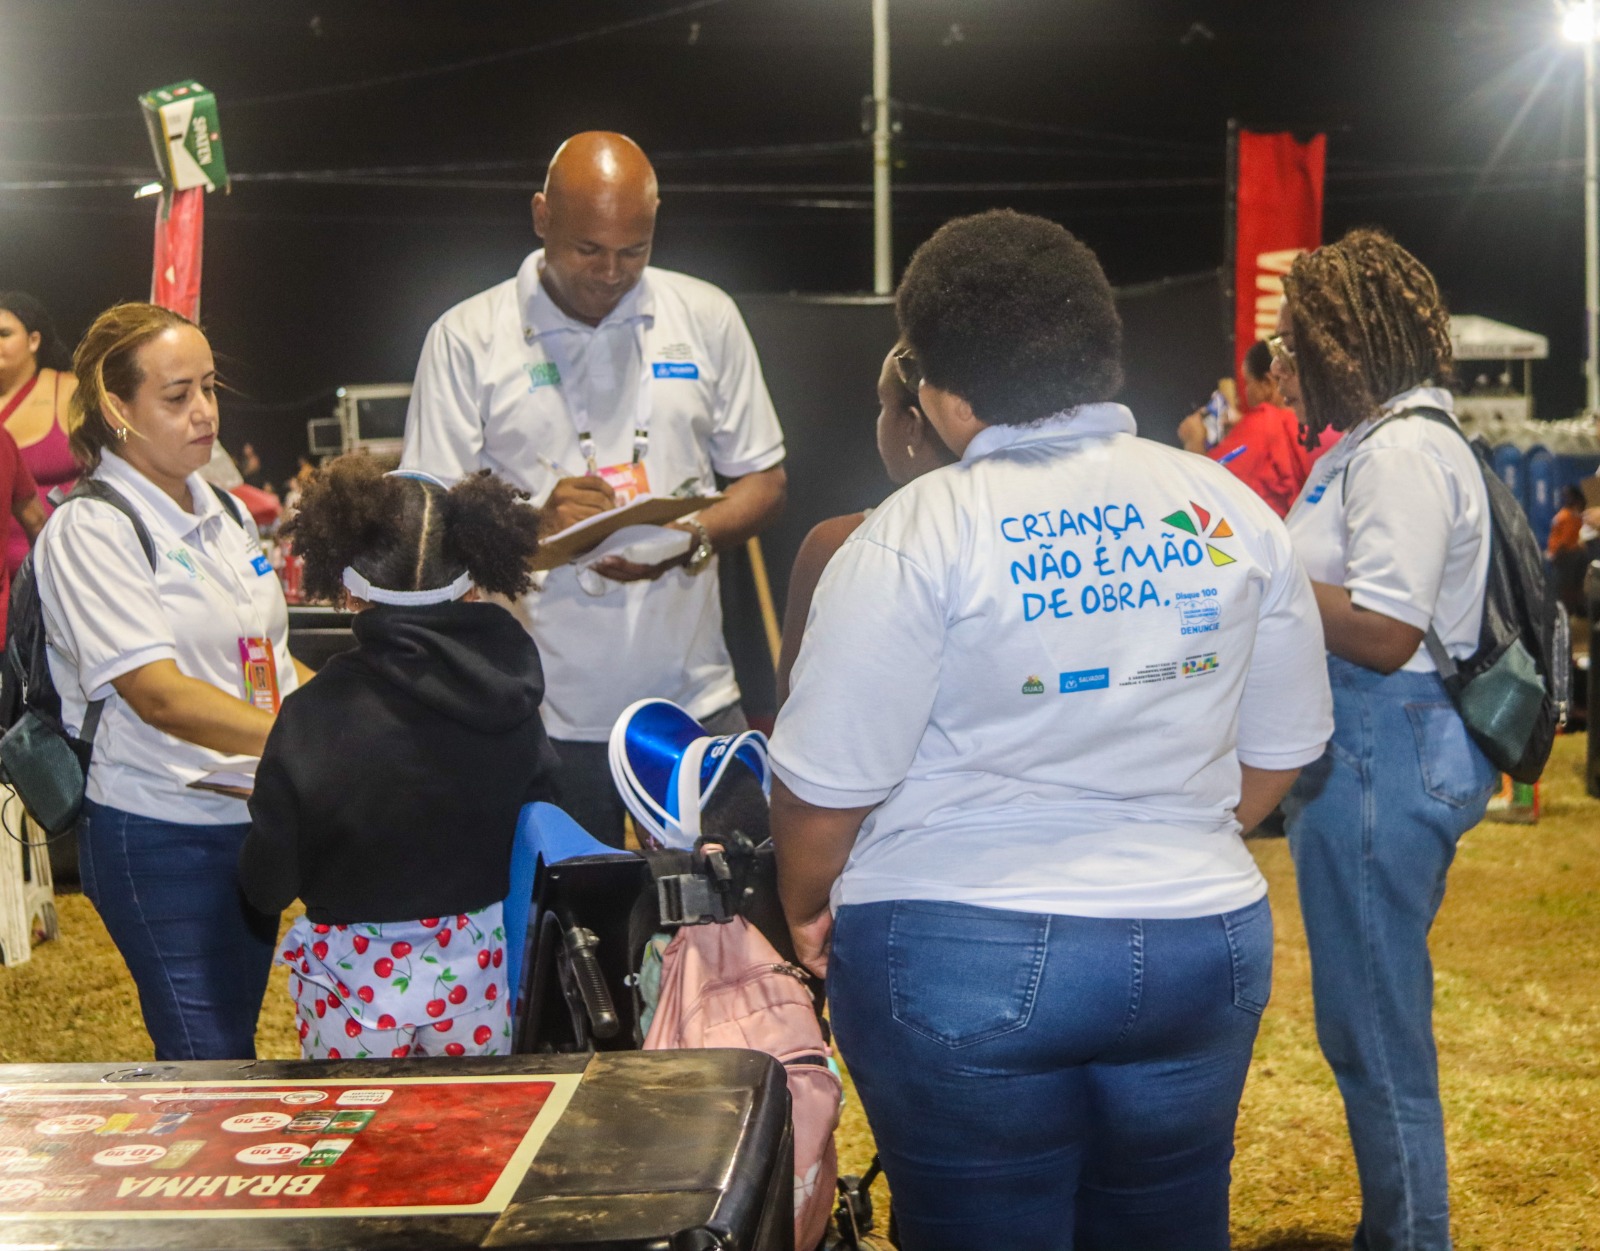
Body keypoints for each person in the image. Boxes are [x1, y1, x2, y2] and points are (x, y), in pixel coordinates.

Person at [769, 210, 1333, 1251]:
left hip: (955, 946)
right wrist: (1181, 828)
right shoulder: (1229, 512)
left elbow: (821, 783)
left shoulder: (908, 536)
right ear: (1100, 351)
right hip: (1197, 945)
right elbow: (1284, 747)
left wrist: (805, 905)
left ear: (936, 390)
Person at [402, 131, 787, 847]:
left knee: (732, 935)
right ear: (542, 216)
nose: (612, 272)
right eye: (589, 249)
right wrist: (531, 525)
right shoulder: (467, 338)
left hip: (694, 700)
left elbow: (764, 480)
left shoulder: (706, 317)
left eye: (633, 249)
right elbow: (430, 529)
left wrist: (691, 535)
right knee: (574, 940)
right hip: (545, 712)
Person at [1273, 228, 1498, 1251]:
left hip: (1383, 739)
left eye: (1293, 342)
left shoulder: (1405, 449)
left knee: (1375, 1035)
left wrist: (1257, 578)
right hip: (1373, 739)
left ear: (1342, 343)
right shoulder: (1374, 442)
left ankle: (1412, 1237)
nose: (1280, 362)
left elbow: (1385, 626)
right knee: (1364, 1026)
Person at [35, 302, 309, 1060]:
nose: (205, 413)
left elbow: (269, 660)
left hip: (247, 823)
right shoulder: (92, 529)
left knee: (229, 1051)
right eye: (178, 395)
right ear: (118, 409)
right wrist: (302, 740)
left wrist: (354, 715)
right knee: (206, 1059)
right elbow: (155, 692)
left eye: (211, 388)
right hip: (157, 829)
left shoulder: (222, 509)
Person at [239, 456, 554, 1060]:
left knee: (362, 1146)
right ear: (471, 579)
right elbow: (538, 820)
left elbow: (265, 882)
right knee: (474, 1140)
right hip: (476, 983)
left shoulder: (313, 716)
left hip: (354, 998)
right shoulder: (510, 698)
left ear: (346, 587)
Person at [775, 340, 956, 704]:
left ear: (912, 427)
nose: (879, 421)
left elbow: (795, 706)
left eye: (882, 406)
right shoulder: (1019, 530)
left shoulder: (835, 543)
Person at [1179, 339, 1312, 518]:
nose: (1244, 397)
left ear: (1268, 383)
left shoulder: (1263, 424)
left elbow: (1202, 492)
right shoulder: (1323, 427)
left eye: (1248, 383)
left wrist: (1194, 442)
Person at [0, 293, 81, 577]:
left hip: (59, 575)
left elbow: (123, 444)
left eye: (4, 334)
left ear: (34, 340)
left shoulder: (69, 392)